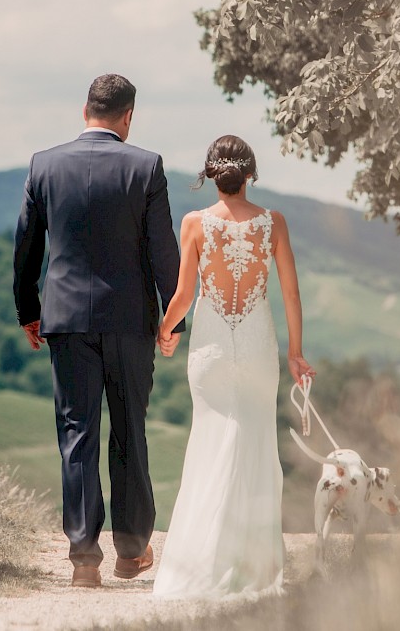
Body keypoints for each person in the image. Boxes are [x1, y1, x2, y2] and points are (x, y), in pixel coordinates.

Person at [12, 74, 185, 588]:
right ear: (127, 116)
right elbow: (163, 252)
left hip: (65, 321)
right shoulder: (146, 166)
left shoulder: (44, 164)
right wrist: (174, 319)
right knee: (130, 430)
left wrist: (28, 310)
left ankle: (84, 560)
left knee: (77, 434)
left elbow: (26, 247)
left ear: (84, 109)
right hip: (131, 321)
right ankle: (131, 553)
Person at [152, 135, 315, 599]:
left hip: (212, 348)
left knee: (210, 441)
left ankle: (200, 563)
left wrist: (164, 331)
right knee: (255, 444)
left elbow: (184, 296)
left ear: (210, 175)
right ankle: (254, 570)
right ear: (251, 175)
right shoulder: (274, 223)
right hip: (258, 344)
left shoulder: (194, 223)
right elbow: (290, 294)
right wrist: (296, 351)